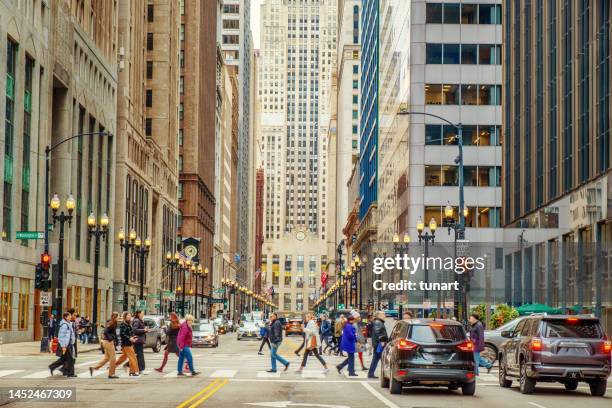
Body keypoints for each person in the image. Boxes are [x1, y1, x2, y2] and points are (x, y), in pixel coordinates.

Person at [89, 312, 119, 378]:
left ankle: (93, 368)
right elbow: (106, 331)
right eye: (118, 316)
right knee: (113, 357)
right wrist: (111, 339)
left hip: (106, 342)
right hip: (108, 342)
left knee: (107, 358)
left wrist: (115, 339)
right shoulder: (112, 323)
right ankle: (111, 374)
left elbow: (113, 333)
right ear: (115, 317)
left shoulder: (113, 322)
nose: (119, 317)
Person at [49, 312, 76, 377]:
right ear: (66, 317)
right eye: (69, 316)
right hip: (65, 345)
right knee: (70, 359)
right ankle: (70, 373)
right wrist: (64, 346)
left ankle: (52, 366)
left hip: (67, 344)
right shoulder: (64, 325)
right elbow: (61, 336)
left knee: (64, 359)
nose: (70, 317)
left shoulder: (68, 324)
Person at [115, 312, 140, 376]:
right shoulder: (123, 324)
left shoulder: (129, 323)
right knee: (133, 357)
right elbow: (122, 334)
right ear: (125, 316)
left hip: (129, 343)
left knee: (123, 358)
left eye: (130, 315)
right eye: (128, 315)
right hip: (126, 344)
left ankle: (112, 366)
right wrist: (129, 338)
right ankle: (135, 371)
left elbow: (131, 333)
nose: (129, 316)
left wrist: (133, 337)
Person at [367, 311, 388, 379]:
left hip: (378, 344)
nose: (384, 316)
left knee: (376, 359)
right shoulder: (378, 322)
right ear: (379, 316)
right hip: (379, 344)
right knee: (380, 359)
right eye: (383, 314)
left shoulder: (378, 322)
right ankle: (372, 373)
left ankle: (371, 373)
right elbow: (378, 332)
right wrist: (383, 340)